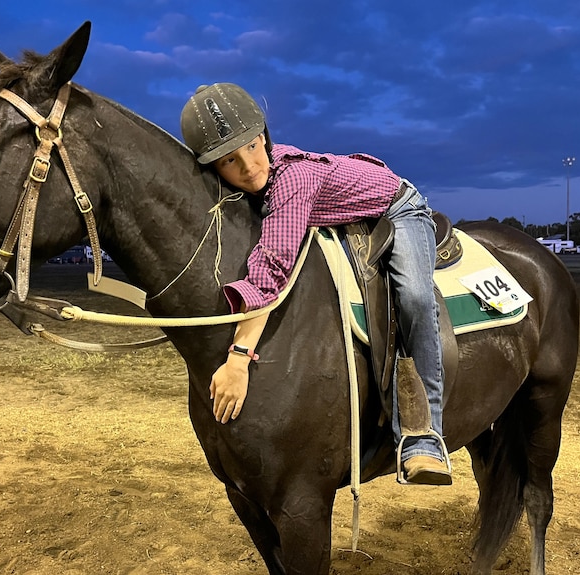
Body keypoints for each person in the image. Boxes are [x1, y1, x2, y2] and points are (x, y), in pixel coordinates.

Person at [180, 83, 451, 486]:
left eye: (252, 148)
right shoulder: (261, 180)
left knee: (413, 294)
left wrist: (238, 359)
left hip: (398, 207)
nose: (249, 166)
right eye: (229, 161)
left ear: (264, 137)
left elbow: (271, 270)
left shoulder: (292, 182)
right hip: (346, 206)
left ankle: (424, 434)